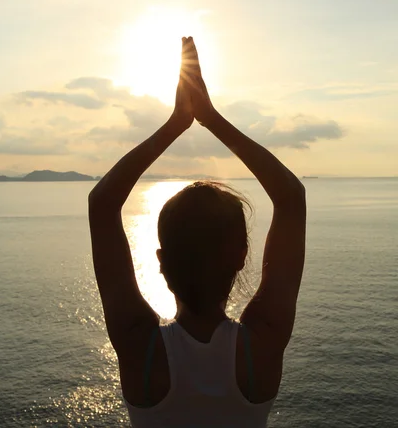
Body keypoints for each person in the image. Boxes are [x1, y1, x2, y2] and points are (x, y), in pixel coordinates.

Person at [88, 37, 306, 427]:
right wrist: (210, 118)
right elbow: (291, 198)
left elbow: (102, 204)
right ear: (241, 255)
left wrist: (176, 123)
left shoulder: (142, 347)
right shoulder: (262, 343)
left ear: (161, 261)